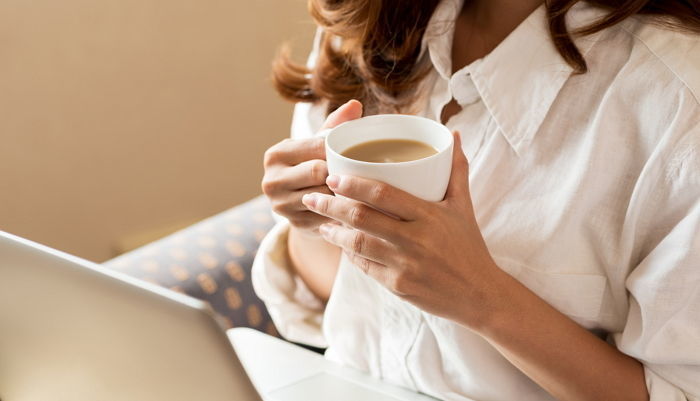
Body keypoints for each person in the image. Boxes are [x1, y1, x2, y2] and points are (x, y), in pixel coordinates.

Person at [253, 0, 700, 400]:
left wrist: (482, 297)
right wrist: (312, 217)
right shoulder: (363, 22)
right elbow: (340, 294)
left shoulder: (678, 105)